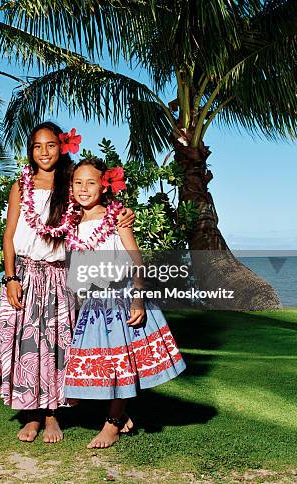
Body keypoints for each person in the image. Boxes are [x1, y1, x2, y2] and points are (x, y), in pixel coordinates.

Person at [0, 123, 134, 444]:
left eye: (51, 145)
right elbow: (10, 235)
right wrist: (11, 276)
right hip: (25, 275)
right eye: (37, 146)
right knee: (27, 346)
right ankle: (32, 416)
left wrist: (125, 213)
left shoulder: (70, 185)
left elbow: (98, 196)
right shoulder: (22, 185)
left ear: (62, 147)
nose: (44, 152)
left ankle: (53, 415)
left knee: (59, 346)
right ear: (30, 150)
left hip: (60, 275)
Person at [63, 158, 186, 449]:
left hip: (121, 297)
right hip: (93, 303)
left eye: (91, 182)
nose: (83, 188)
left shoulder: (116, 218)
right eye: (78, 182)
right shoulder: (70, 221)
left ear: (103, 186)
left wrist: (138, 298)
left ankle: (113, 423)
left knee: (121, 365)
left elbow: (137, 261)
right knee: (99, 366)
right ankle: (121, 413)